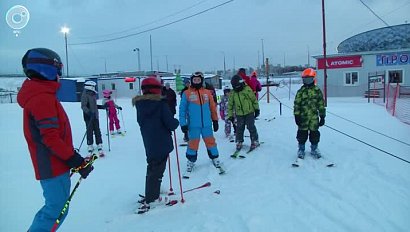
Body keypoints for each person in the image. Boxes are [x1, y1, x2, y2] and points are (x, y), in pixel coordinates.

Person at [17, 48, 93, 231]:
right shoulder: (42, 98)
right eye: (58, 69)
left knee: (56, 209)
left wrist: (75, 160)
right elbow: (50, 138)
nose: (59, 74)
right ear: (45, 69)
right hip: (53, 166)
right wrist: (75, 160)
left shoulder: (43, 96)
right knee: (55, 211)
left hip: (56, 164)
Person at [132, 77, 179, 213]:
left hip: (149, 141)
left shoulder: (140, 105)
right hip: (162, 142)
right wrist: (175, 122)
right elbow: (170, 123)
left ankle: (151, 192)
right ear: (157, 90)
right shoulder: (160, 104)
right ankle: (152, 198)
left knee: (152, 167)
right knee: (157, 170)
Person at [179, 71, 223, 176]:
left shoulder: (207, 93)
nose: (197, 81)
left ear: (202, 81)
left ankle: (215, 158)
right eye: (195, 80)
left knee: (211, 142)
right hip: (193, 125)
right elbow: (182, 110)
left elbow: (213, 107)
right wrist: (183, 123)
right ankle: (191, 161)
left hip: (207, 124)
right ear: (191, 81)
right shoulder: (187, 93)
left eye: (198, 80)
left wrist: (215, 120)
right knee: (193, 144)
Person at [294, 68, 326, 159]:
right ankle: (301, 149)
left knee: (314, 134)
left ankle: (314, 149)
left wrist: (322, 116)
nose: (307, 81)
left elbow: (321, 104)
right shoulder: (301, 91)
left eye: (309, 79)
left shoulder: (317, 91)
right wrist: (296, 115)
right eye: (305, 79)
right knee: (301, 135)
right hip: (302, 118)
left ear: (313, 79)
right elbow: (297, 104)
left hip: (313, 118)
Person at [228, 75, 260, 151]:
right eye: (235, 86)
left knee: (251, 126)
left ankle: (255, 140)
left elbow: (254, 100)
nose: (237, 88)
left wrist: (256, 109)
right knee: (239, 128)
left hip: (249, 112)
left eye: (237, 86)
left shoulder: (247, 90)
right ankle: (239, 141)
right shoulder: (233, 93)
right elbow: (230, 105)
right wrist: (230, 115)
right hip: (239, 114)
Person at [81, 80, 106, 156]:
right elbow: (83, 106)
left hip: (95, 116)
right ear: (90, 86)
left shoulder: (93, 94)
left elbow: (94, 106)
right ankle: (90, 144)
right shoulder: (85, 94)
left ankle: (99, 143)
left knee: (97, 130)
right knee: (89, 130)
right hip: (88, 116)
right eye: (93, 86)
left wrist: (102, 107)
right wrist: (89, 112)